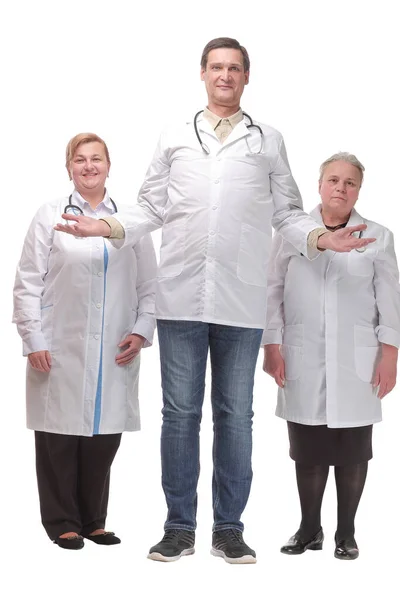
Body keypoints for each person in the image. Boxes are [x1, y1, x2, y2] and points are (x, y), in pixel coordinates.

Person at [54, 39, 374, 563]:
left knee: (235, 415)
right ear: (202, 73)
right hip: (180, 297)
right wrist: (106, 225)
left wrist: (320, 237)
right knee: (179, 414)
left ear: (247, 77)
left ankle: (229, 529)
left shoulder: (268, 140)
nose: (225, 75)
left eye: (235, 68)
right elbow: (150, 207)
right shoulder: (174, 137)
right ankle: (179, 527)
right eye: (217, 67)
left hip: (241, 300)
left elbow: (289, 212)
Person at [13, 133, 156, 550]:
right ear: (69, 168)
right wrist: (33, 337)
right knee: (58, 436)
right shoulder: (49, 215)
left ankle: (94, 519)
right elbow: (27, 281)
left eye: (96, 159)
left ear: (109, 166)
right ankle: (62, 521)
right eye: (80, 160)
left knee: (103, 436)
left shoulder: (131, 221)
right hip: (60, 344)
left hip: (114, 344)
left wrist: (142, 329)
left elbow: (150, 284)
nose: (89, 166)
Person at [263, 152, 400, 560]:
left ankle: (346, 533)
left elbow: (390, 301)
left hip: (357, 361)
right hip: (300, 354)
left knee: (353, 449)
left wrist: (390, 354)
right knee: (306, 447)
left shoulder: (378, 236)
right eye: (334, 180)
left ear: (359, 190)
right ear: (319, 184)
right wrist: (272, 344)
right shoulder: (291, 233)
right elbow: (272, 290)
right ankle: (309, 529)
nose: (341, 188)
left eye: (350, 183)